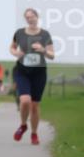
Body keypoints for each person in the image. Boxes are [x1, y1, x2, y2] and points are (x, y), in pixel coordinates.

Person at [10, 8, 55, 145]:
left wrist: (43, 50)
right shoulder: (19, 33)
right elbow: (11, 48)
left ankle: (34, 134)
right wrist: (16, 53)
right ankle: (23, 125)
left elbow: (52, 55)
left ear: (37, 16)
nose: (30, 19)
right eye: (27, 17)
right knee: (24, 101)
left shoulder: (45, 34)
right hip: (22, 71)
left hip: (39, 72)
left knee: (35, 106)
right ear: (26, 19)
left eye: (32, 16)